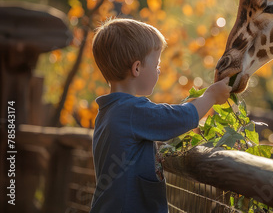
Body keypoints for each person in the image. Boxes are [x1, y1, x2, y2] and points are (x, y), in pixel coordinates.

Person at [89, 17, 231, 212]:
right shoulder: (130, 110)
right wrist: (211, 96)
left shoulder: (108, 111)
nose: (159, 70)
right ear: (137, 68)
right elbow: (177, 118)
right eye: (156, 64)